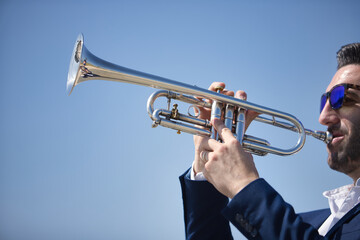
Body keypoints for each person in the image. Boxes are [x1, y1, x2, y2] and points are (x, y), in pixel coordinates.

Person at [179, 43, 360, 239]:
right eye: (324, 102)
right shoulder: (312, 224)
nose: (323, 117)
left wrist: (244, 185)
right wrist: (206, 161)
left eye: (341, 98)